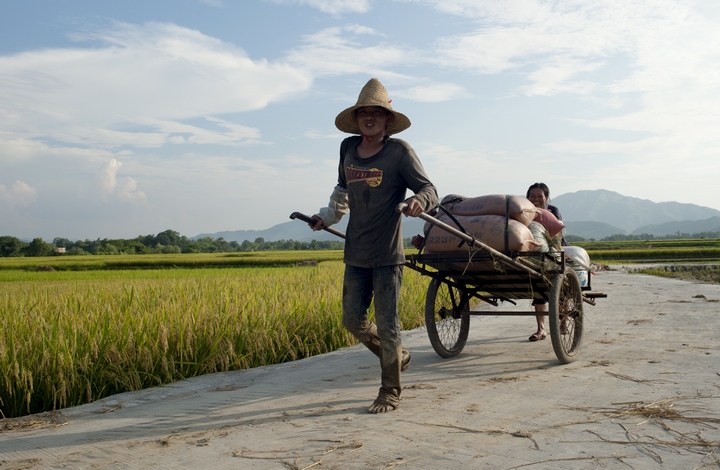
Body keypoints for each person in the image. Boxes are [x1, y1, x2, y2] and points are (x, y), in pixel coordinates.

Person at [310, 78, 438, 413]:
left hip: (387, 253)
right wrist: (326, 218)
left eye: (376, 113)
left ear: (386, 119)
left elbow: (429, 189)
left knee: (388, 322)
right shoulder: (348, 149)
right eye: (363, 112)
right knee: (352, 320)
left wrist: (417, 202)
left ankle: (390, 391)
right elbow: (342, 192)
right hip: (356, 251)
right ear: (357, 117)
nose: (369, 117)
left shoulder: (400, 152)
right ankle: (398, 355)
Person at [526, 182, 569, 341]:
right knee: (538, 287)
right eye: (532, 196)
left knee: (561, 285)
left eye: (539, 196)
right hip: (531, 253)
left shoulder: (552, 211)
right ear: (527, 198)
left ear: (546, 198)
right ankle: (541, 329)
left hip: (554, 249)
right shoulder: (522, 211)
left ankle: (563, 320)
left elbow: (556, 233)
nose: (536, 199)